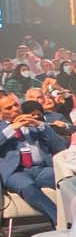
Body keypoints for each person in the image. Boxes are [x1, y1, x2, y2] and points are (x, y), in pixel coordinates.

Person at [0, 90, 69, 225]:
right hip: (16, 172)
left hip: (42, 169)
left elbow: (60, 146)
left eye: (16, 105)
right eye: (9, 108)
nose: (15, 109)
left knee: (67, 181)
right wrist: (12, 128)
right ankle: (61, 222)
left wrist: (41, 126)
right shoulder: (3, 128)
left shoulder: (34, 122)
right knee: (28, 188)